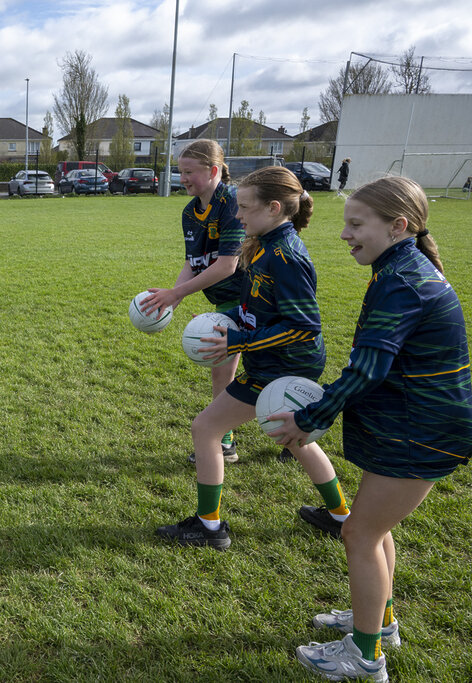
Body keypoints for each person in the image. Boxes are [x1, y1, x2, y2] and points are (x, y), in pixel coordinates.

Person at [275, 176, 472, 681]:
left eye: (356, 224)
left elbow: (367, 370)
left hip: (420, 430)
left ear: (398, 226)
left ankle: (364, 659)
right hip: (415, 425)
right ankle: (380, 624)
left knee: (359, 534)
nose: (345, 234)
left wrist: (308, 419)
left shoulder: (401, 280)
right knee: (374, 530)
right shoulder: (402, 267)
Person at [156, 166, 352, 549]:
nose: (237, 214)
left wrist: (239, 341)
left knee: (206, 428)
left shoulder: (285, 255)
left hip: (284, 366)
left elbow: (303, 327)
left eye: (245, 207)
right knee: (294, 439)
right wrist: (224, 319)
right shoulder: (263, 244)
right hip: (277, 362)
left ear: (274, 208)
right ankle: (340, 516)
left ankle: (209, 527)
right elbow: (258, 307)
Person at [142, 139, 247, 464]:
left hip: (256, 296)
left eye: (189, 172)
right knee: (222, 369)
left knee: (268, 369)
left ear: (213, 170)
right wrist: (170, 300)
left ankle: (299, 430)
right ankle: (226, 441)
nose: (183, 178)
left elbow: (227, 265)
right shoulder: (190, 212)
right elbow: (194, 262)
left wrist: (177, 294)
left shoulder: (232, 202)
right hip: (225, 300)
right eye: (181, 171)